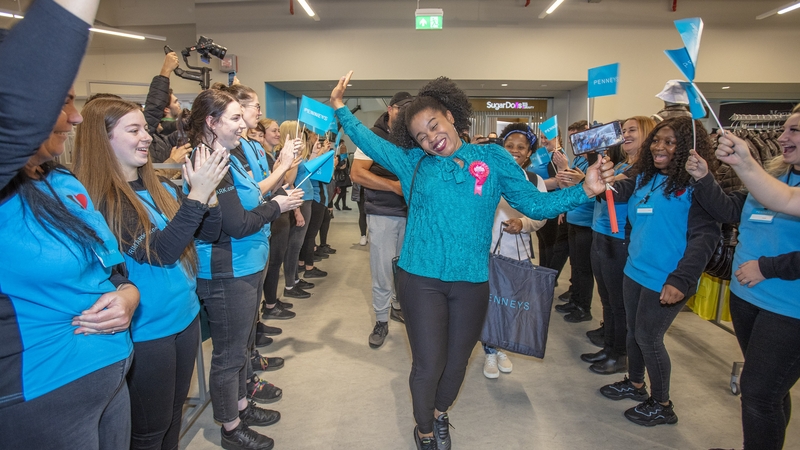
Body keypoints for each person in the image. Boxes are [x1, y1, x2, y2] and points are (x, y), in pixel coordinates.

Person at [330, 72, 612, 450]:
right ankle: (425, 431)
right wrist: (338, 107)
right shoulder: (412, 162)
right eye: (421, 137)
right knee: (428, 365)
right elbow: (364, 138)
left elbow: (534, 204)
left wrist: (584, 190)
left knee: (457, 363)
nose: (431, 138)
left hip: (472, 280)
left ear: (449, 114)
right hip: (420, 278)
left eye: (434, 125)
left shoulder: (492, 157)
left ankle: (440, 412)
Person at [0, 1, 140, 448]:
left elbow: (111, 266)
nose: (76, 117)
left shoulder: (63, 181)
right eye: (62, 104)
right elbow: (20, 106)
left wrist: (127, 295)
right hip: (41, 393)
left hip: (112, 374)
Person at [72, 98, 226, 450]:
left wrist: (208, 196)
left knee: (173, 418)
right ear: (103, 138)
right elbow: (161, 252)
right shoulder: (105, 200)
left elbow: (209, 232)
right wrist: (198, 197)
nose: (147, 137)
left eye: (145, 127)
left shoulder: (159, 185)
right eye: (134, 130)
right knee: (148, 431)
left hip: (183, 318)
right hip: (147, 331)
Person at [179, 88, 304, 450]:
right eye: (234, 118)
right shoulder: (209, 162)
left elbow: (249, 206)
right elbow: (237, 223)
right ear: (211, 122)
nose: (241, 125)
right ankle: (231, 429)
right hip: (225, 269)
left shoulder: (228, 157)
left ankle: (242, 406)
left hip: (244, 265)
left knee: (240, 348)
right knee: (229, 355)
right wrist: (276, 207)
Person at [686, 105, 800, 449]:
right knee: (768, 389)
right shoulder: (775, 176)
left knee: (758, 393)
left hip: (788, 309)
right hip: (749, 299)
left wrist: (768, 267)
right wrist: (705, 177)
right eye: (784, 129)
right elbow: (730, 209)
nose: (782, 137)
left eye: (794, 130)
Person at [598, 116, 719, 427]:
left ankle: (662, 404)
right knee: (634, 333)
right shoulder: (645, 177)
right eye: (656, 140)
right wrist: (601, 178)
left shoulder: (697, 185)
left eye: (669, 142)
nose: (659, 147)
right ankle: (636, 384)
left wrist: (681, 279)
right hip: (635, 269)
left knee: (650, 338)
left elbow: (705, 238)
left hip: (667, 278)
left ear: (687, 149)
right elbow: (614, 194)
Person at [582, 116, 655, 375]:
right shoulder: (624, 162)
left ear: (647, 134)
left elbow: (616, 191)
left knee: (618, 302)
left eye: (632, 130)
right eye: (623, 130)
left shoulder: (645, 169)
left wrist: (597, 172)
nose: (626, 134)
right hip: (602, 235)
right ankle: (609, 347)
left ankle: (619, 355)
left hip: (620, 239)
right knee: (608, 300)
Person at [481, 123, 547, 379]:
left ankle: (502, 347)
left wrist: (524, 224)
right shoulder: (485, 174)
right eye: (509, 146)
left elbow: (541, 216)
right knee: (487, 302)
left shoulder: (534, 180)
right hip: (486, 251)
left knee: (509, 303)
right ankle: (489, 350)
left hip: (517, 254)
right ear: (502, 148)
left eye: (521, 147)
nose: (514, 151)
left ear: (529, 152)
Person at [350, 91, 414, 348]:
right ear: (391, 109)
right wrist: (394, 187)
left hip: (411, 215)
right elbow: (357, 174)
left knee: (406, 269)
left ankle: (398, 307)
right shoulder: (371, 137)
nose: (405, 116)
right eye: (402, 110)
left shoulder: (412, 138)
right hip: (383, 213)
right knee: (382, 270)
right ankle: (381, 319)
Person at [554, 120, 596, 323]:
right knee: (576, 265)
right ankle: (575, 298)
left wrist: (574, 176)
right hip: (574, 217)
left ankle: (583, 307)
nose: (575, 143)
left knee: (584, 268)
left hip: (587, 222)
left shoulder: (595, 163)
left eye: (578, 138)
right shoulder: (579, 161)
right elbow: (569, 188)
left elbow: (592, 190)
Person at [333, 141, 352, 210]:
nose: (343, 150)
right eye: (342, 149)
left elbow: (348, 165)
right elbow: (335, 166)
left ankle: (344, 205)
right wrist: (340, 168)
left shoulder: (346, 157)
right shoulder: (338, 157)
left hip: (345, 176)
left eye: (344, 148)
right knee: (343, 191)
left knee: (344, 190)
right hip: (340, 176)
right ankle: (337, 202)